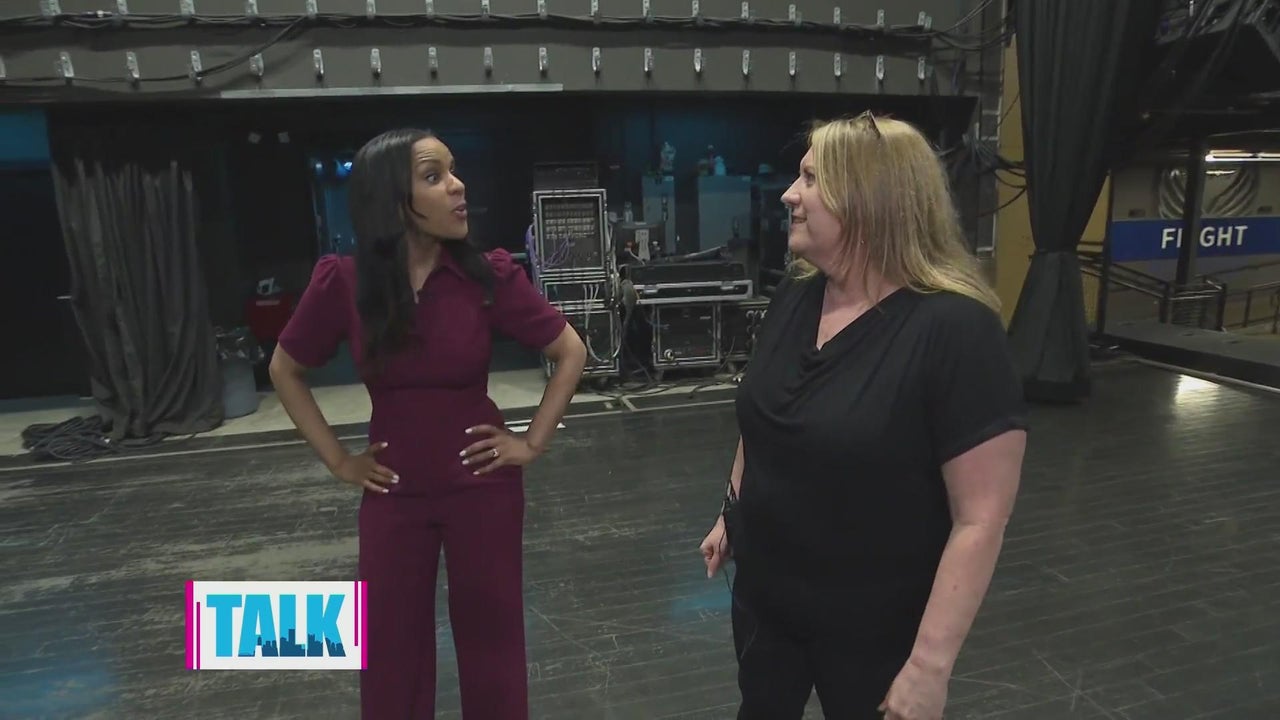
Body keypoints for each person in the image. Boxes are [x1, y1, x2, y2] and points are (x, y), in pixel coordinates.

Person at [699, 113, 1028, 720]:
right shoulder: (797, 292)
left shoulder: (956, 330)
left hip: (874, 628)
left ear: (869, 200)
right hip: (767, 600)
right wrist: (731, 507)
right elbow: (763, 418)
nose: (789, 195)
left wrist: (929, 667)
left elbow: (980, 518)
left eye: (810, 179)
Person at [270, 128, 587, 720]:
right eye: (434, 176)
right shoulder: (344, 281)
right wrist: (339, 461)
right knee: (389, 650)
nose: (458, 186)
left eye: (454, 171)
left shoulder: (487, 275)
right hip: (393, 492)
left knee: (492, 647)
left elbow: (570, 350)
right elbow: (285, 369)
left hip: (483, 489)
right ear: (393, 199)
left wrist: (531, 442)